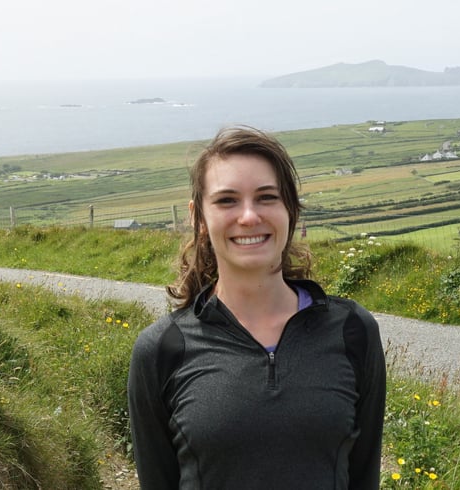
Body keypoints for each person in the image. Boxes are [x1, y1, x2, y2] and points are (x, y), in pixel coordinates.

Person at [127, 126, 386, 490]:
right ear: (198, 217)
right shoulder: (162, 350)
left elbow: (363, 477)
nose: (248, 217)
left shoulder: (353, 330)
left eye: (266, 197)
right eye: (226, 200)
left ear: (290, 208)